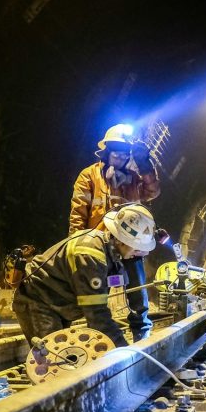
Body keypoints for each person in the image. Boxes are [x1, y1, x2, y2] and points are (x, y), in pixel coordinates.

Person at [13, 204, 157, 348]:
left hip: (58, 304)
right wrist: (126, 351)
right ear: (121, 240)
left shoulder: (110, 252)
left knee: (66, 357)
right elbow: (97, 316)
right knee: (55, 358)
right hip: (37, 300)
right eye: (138, 248)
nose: (142, 253)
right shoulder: (90, 257)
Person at [69, 124, 161, 341]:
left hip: (130, 245)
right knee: (96, 296)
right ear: (107, 152)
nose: (119, 157)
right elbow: (78, 211)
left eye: (124, 153)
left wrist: (145, 166)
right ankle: (99, 337)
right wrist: (76, 243)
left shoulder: (133, 178)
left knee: (138, 293)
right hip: (99, 246)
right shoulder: (90, 176)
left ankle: (142, 334)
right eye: (116, 153)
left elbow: (153, 192)